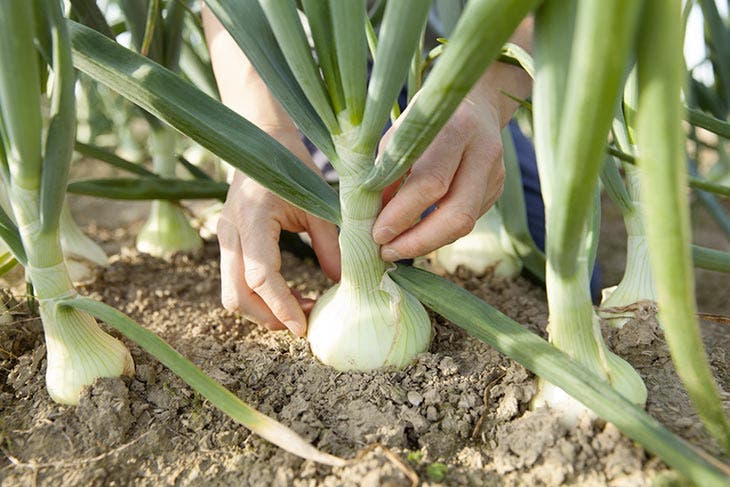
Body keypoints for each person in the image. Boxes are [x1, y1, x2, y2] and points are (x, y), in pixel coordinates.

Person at [202, 7, 535, 337]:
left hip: (452, 68)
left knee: (544, 246)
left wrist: (483, 94)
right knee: (298, 230)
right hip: (306, 88)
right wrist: (264, 134)